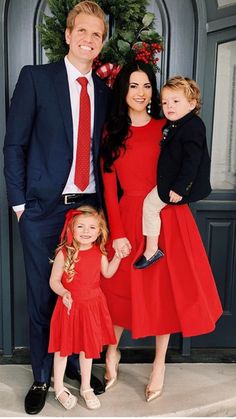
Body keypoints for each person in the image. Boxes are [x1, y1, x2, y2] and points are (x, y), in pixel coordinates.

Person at [3, 1, 111, 414]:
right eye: (81, 31)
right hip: (41, 209)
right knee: (43, 294)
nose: (88, 39)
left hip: (86, 213)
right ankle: (42, 376)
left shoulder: (103, 92)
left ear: (101, 44)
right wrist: (19, 205)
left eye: (96, 35)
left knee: (81, 294)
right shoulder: (36, 79)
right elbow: (14, 145)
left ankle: (73, 368)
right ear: (67, 35)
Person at [100, 61, 223, 403]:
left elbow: (192, 162)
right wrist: (119, 231)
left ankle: (159, 364)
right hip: (129, 217)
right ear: (123, 90)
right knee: (118, 288)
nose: (141, 93)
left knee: (164, 292)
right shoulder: (111, 132)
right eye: (133, 86)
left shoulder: (167, 126)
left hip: (168, 217)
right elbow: (110, 189)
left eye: (146, 86)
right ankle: (112, 352)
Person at [134, 76, 211, 269]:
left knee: (150, 206)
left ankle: (151, 250)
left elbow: (192, 161)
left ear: (192, 104)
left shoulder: (193, 126)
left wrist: (179, 188)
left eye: (176, 101)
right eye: (165, 102)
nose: (169, 106)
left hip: (179, 184)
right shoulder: (177, 123)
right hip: (170, 179)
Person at [48, 206, 121, 411]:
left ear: (99, 231)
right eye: (80, 226)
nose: (86, 231)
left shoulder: (99, 253)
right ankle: (60, 387)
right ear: (72, 228)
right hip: (69, 307)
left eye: (91, 227)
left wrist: (118, 257)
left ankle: (86, 387)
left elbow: (107, 273)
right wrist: (63, 293)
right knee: (62, 350)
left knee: (87, 350)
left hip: (92, 307)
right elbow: (54, 280)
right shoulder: (64, 253)